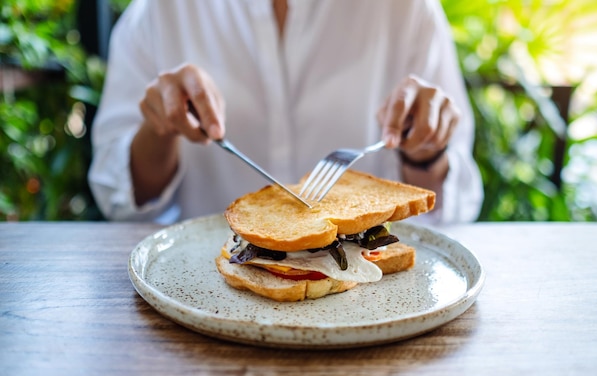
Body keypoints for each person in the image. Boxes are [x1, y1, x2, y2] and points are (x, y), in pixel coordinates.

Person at [88, 0, 483, 224]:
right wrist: (160, 129)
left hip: (371, 307)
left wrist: (426, 151)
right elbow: (118, 199)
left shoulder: (408, 11)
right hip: (205, 298)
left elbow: (454, 206)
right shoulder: (159, 12)